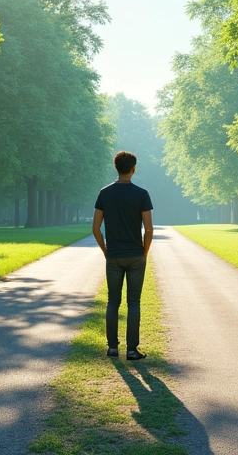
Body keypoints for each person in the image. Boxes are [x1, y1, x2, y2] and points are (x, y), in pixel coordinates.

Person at [91, 151, 154, 360]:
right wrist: (144, 253)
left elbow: (96, 228)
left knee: (113, 301)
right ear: (133, 169)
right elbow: (149, 229)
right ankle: (132, 349)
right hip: (136, 254)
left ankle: (112, 348)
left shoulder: (104, 193)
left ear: (116, 168)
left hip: (114, 255)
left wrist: (105, 250)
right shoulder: (142, 193)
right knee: (134, 302)